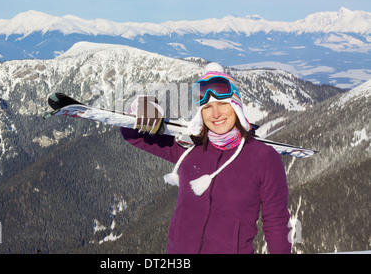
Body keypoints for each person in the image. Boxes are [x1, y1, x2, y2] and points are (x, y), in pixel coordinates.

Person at [119, 63, 291, 254]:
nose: (216, 114)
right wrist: (141, 109)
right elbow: (134, 136)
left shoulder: (264, 158)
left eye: (223, 104)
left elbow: (276, 223)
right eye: (207, 107)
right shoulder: (189, 149)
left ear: (236, 107)